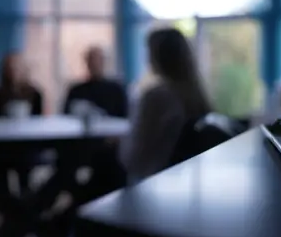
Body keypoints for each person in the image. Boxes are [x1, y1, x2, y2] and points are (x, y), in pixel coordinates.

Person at [119, 28, 211, 183]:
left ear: (156, 56)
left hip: (149, 186)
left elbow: (131, 158)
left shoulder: (157, 97)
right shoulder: (195, 95)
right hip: (183, 182)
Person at [0, 53, 44, 196]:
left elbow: (40, 122)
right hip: (2, 145)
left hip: (27, 145)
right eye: (10, 67)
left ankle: (25, 204)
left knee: (24, 163)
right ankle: (3, 206)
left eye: (17, 67)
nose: (13, 70)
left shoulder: (35, 94)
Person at [63, 46, 128, 117]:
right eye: (91, 60)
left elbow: (124, 118)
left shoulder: (116, 90)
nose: (95, 63)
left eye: (98, 60)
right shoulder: (76, 91)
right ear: (87, 63)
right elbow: (65, 117)